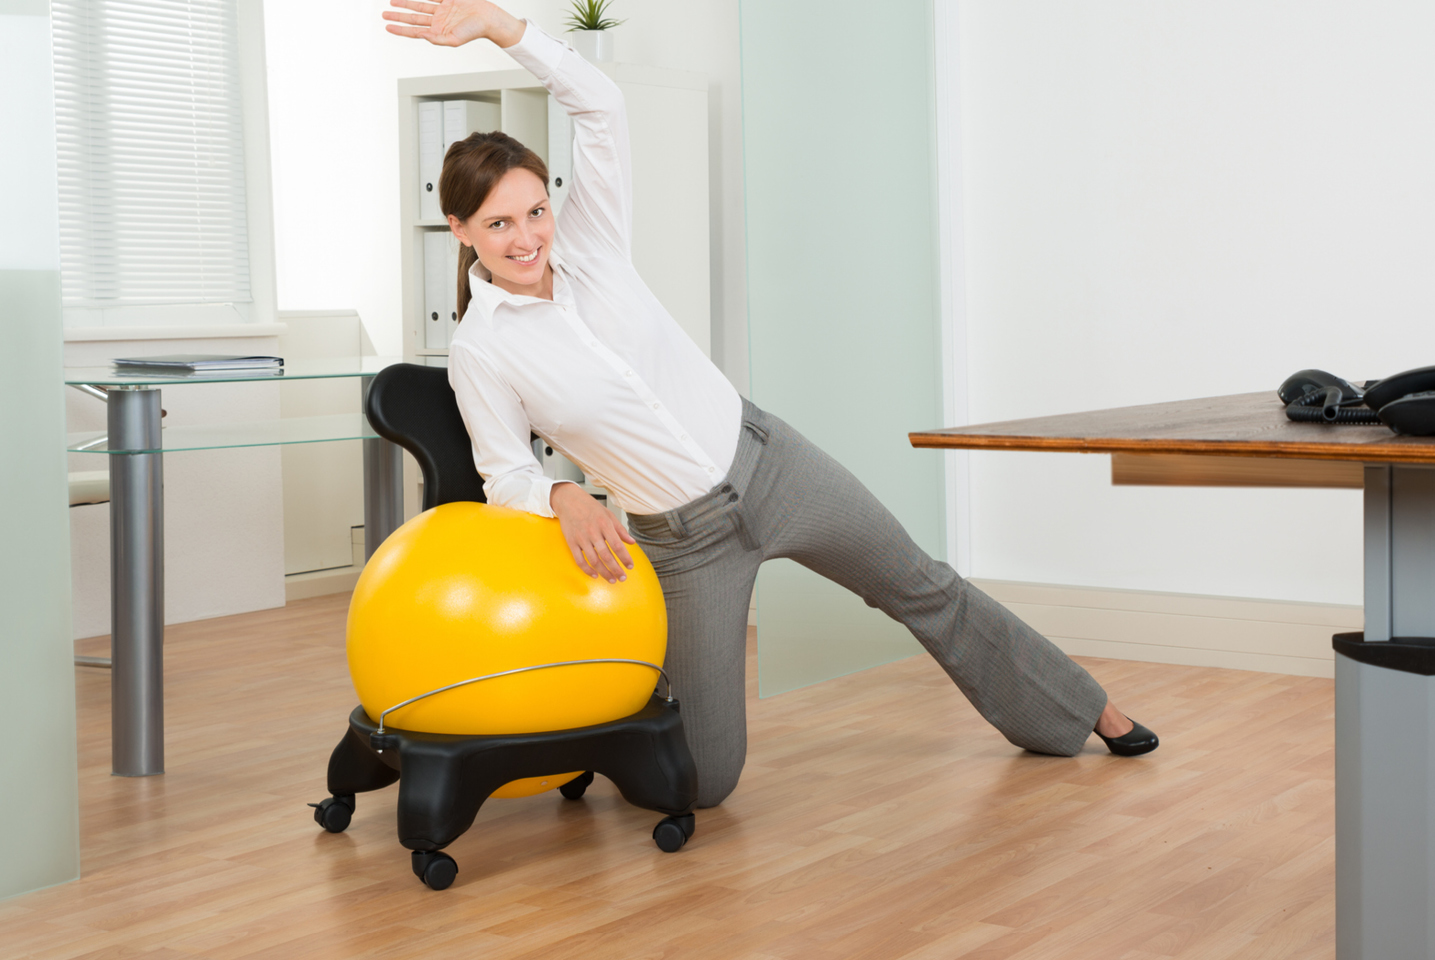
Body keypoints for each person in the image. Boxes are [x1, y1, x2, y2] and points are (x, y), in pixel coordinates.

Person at [383, 0, 1157, 808]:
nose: (527, 237)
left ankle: (1080, 707)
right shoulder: (481, 349)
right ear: (459, 229)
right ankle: (599, 737)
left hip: (771, 463)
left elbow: (602, 105)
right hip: (685, 545)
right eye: (499, 223)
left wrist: (504, 28)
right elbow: (504, 472)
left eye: (536, 210)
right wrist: (563, 492)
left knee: (923, 585)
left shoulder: (592, 244)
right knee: (705, 785)